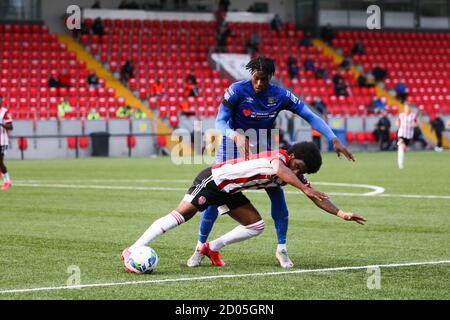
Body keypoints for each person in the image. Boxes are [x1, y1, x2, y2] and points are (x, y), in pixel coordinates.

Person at [187, 57, 355, 269]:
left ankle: (281, 249)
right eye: (256, 79)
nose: (259, 84)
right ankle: (200, 248)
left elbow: (309, 116)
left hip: (263, 147)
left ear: (271, 78)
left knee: (277, 193)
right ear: (251, 75)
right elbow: (219, 121)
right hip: (232, 145)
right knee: (214, 196)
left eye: (264, 80)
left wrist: (333, 139)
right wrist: (234, 135)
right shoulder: (237, 90)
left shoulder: (280, 95)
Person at [121, 142, 366, 271]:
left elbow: (316, 196)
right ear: (292, 155)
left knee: (256, 225)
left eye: (303, 172)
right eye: (299, 166)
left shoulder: (293, 173)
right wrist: (304, 187)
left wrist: (341, 213)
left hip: (230, 191)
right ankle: (132, 249)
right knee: (181, 215)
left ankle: (211, 247)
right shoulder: (279, 157)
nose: (299, 172)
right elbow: (278, 169)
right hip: (213, 180)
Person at [396, 103, 419, 169]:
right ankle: (400, 165)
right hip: (401, 134)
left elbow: (417, 123)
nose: (407, 109)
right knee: (401, 147)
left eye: (408, 108)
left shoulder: (413, 116)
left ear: (410, 109)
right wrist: (398, 124)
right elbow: (397, 122)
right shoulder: (401, 115)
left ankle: (401, 162)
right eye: (406, 108)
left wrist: (413, 125)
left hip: (409, 136)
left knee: (404, 149)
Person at [0, 95, 13, 190]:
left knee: (0, 161)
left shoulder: (4, 112)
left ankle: (7, 181)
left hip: (2, 141)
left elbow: (11, 127)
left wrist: (1, 124)